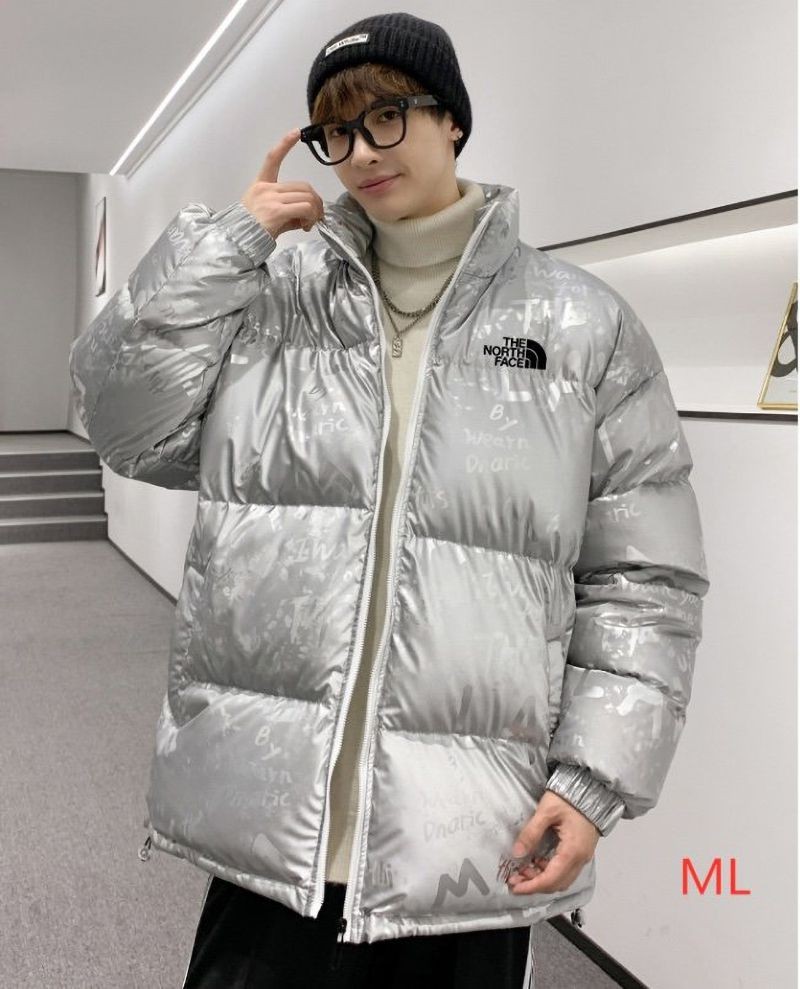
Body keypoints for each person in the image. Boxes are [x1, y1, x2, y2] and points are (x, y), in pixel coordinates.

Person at [68, 11, 710, 988]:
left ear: (452, 121)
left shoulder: (580, 325)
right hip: (272, 827)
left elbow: (644, 579)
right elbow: (121, 423)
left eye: (386, 117)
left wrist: (593, 779)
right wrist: (226, 245)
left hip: (463, 837)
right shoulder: (267, 300)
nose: (360, 152)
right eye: (336, 131)